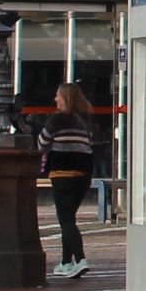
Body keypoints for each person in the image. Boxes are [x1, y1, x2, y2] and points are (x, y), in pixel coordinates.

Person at [42, 85, 99, 278]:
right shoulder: (84, 120)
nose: (54, 98)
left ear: (65, 97)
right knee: (69, 219)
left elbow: (41, 143)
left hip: (62, 174)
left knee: (65, 219)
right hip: (83, 175)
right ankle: (66, 262)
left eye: (57, 95)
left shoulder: (57, 119)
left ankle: (81, 259)